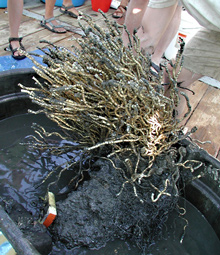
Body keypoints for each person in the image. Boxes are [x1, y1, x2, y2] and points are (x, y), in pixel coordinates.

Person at [123, 0, 220, 117]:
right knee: (175, 75)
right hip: (216, 30)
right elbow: (147, 36)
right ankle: (168, 130)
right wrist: (125, 62)